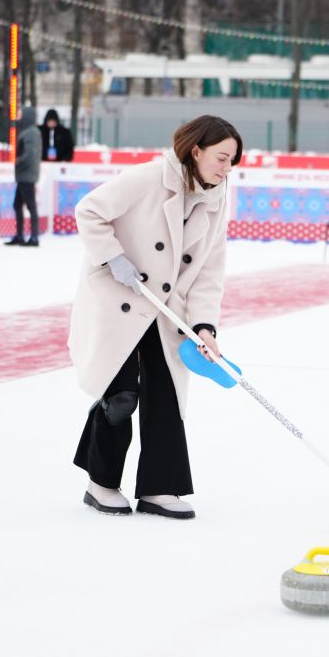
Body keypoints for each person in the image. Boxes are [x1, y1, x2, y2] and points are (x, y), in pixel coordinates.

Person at [68, 115, 241, 519]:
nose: (226, 168)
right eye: (221, 157)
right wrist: (113, 257)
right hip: (120, 298)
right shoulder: (148, 178)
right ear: (196, 151)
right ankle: (101, 483)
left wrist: (204, 326)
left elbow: (209, 269)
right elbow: (89, 211)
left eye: (232, 160)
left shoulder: (216, 199)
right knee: (122, 395)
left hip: (167, 312)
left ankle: (160, 488)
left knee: (165, 398)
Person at [7, 106, 42, 247]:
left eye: (21, 115)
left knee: (30, 206)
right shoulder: (29, 132)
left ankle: (33, 236)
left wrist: (17, 162)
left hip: (27, 175)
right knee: (18, 205)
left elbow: (29, 154)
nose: (18, 117)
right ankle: (20, 235)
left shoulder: (31, 133)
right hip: (24, 175)